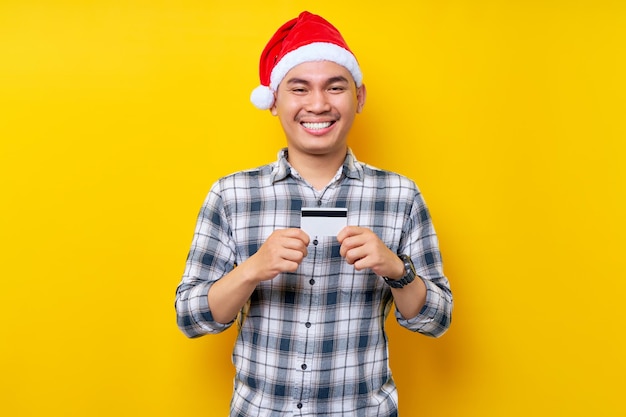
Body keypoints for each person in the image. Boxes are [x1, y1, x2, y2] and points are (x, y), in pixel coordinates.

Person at [175, 11, 453, 416]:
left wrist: (397, 268)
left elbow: (437, 320)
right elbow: (191, 318)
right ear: (275, 101)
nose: (318, 104)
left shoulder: (400, 195)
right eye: (300, 89)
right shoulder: (231, 194)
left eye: (334, 87)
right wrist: (252, 268)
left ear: (358, 97)